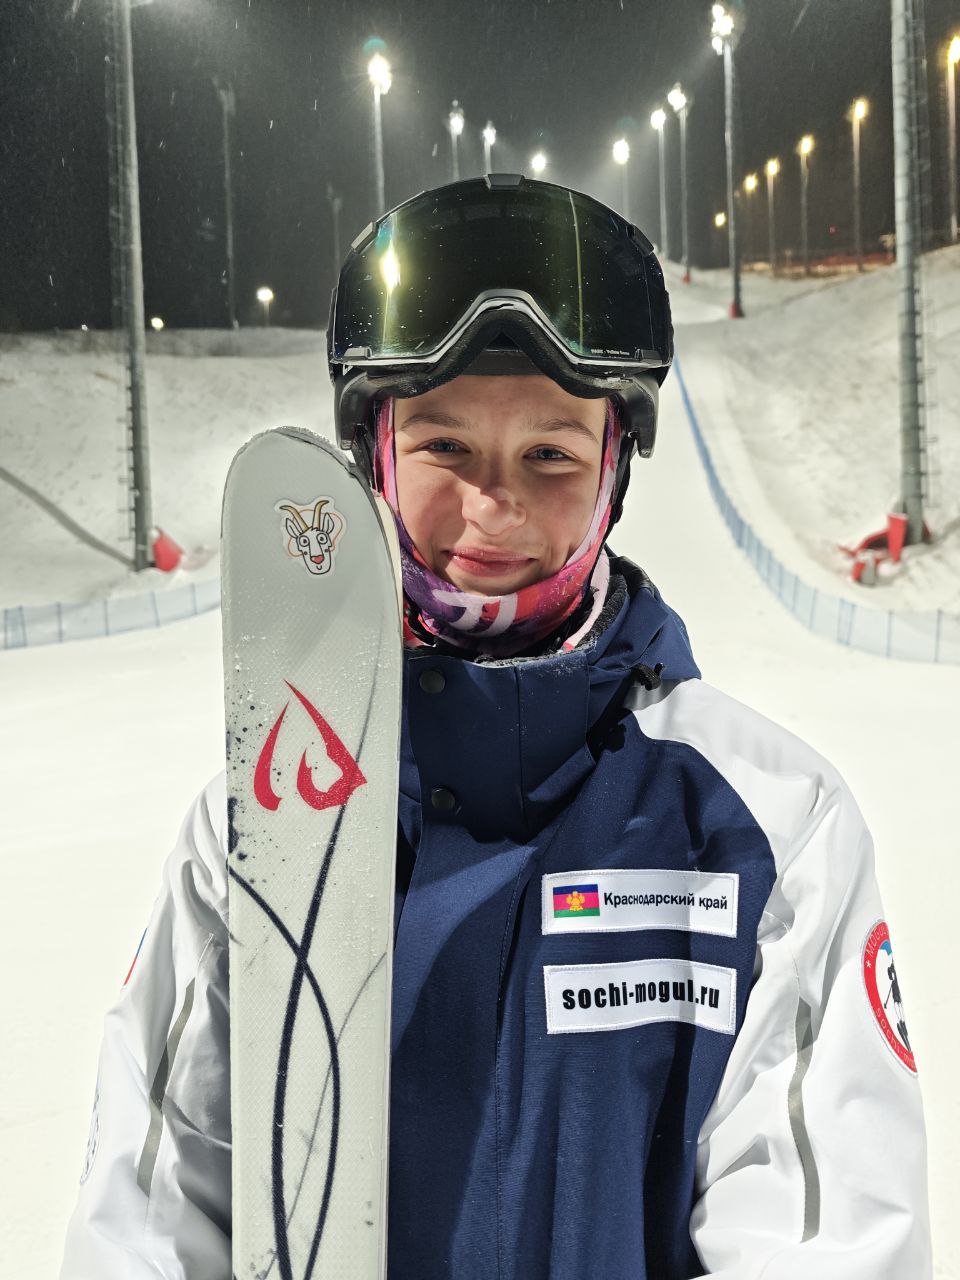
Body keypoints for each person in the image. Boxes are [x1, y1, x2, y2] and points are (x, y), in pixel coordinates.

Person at [60, 175, 932, 1279]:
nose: (490, 506)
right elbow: (147, 1224)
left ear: (613, 467)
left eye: (550, 454)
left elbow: (831, 1244)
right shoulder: (257, 834)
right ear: (375, 456)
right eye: (444, 447)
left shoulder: (763, 829)